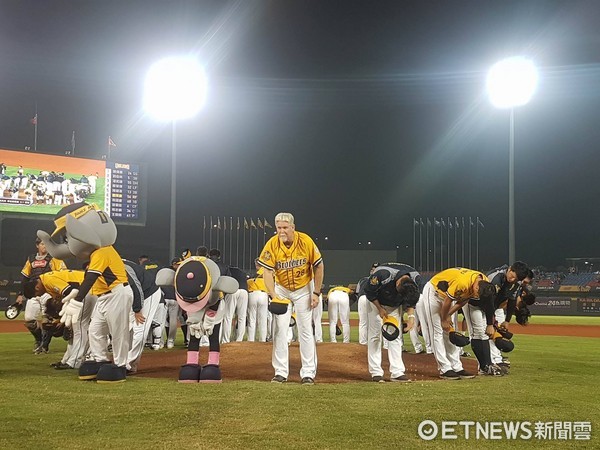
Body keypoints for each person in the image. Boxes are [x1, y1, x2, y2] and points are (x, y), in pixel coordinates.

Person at [257, 212, 324, 385]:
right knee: (279, 330)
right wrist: (273, 296)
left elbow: (319, 266)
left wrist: (316, 292)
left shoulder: (306, 241)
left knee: (305, 330)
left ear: (293, 227)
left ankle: (308, 373)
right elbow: (267, 272)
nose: (281, 231)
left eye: (285, 227)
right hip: (281, 289)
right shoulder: (272, 244)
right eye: (279, 227)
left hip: (303, 288)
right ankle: (280, 372)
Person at [422, 267, 494, 380]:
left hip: (450, 296)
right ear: (476, 286)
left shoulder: (483, 282)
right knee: (437, 331)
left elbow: (463, 300)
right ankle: (444, 368)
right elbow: (447, 300)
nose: (477, 297)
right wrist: (444, 318)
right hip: (434, 292)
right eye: (477, 293)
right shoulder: (463, 282)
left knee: (451, 331)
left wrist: (449, 315)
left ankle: (456, 367)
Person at [27, 270, 97, 370]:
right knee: (74, 329)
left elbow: (72, 291)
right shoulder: (46, 282)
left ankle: (75, 361)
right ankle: (67, 360)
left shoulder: (48, 280)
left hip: (85, 291)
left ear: (37, 287)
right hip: (85, 291)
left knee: (80, 327)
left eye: (37, 294)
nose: (39, 296)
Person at [363, 263, 421, 382]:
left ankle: (397, 372)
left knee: (395, 336)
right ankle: (376, 373)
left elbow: (411, 300)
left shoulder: (416, 279)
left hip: (395, 306)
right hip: (376, 302)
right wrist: (379, 308)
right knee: (375, 336)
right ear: (398, 283)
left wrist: (411, 316)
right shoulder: (383, 275)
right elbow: (369, 292)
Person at [16, 236, 66, 353]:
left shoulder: (54, 258)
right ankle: (38, 340)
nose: (44, 246)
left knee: (47, 319)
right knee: (29, 320)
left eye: (46, 244)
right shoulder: (31, 259)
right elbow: (25, 277)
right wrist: (20, 294)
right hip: (34, 292)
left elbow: (62, 273)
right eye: (42, 244)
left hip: (48, 291)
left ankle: (44, 346)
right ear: (37, 245)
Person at [356, 263, 379, 345]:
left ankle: (363, 342)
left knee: (363, 322)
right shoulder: (378, 280)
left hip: (362, 298)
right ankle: (373, 342)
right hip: (371, 298)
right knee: (374, 321)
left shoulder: (362, 279)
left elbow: (357, 292)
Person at [246, 260, 269, 342]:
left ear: (256, 265)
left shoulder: (252, 276)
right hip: (263, 294)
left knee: (251, 319)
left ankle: (251, 340)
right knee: (263, 319)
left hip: (252, 294)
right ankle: (262, 340)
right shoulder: (267, 274)